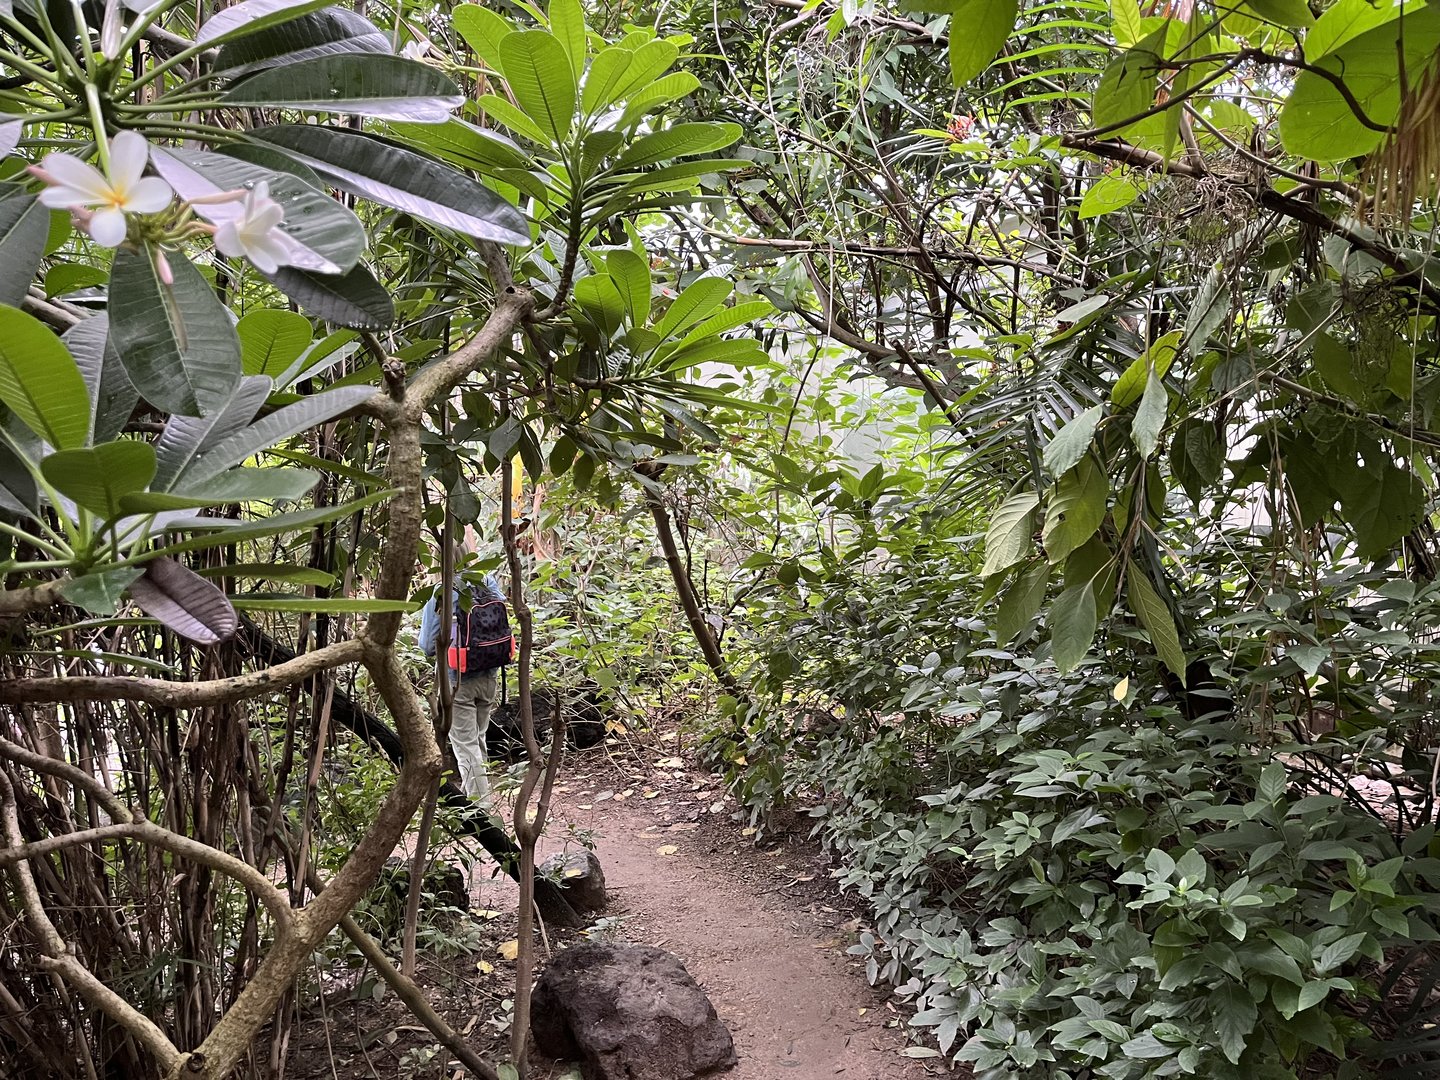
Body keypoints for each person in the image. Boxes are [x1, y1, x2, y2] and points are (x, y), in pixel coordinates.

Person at [419, 539, 505, 805]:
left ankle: (482, 809)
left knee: (465, 746)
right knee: (477, 739)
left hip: (458, 680)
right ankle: (481, 797)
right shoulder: (487, 581)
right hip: (489, 673)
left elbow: (426, 644)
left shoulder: (442, 592)